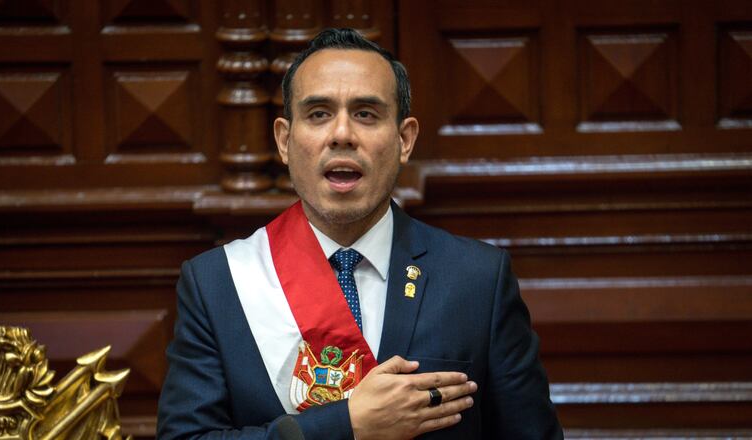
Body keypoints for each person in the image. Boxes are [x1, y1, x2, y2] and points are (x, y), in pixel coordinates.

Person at [157, 28, 562, 439]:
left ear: (404, 140)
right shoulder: (218, 284)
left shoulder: (478, 280)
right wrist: (347, 425)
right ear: (284, 140)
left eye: (366, 113)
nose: (342, 134)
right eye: (318, 113)